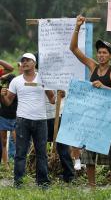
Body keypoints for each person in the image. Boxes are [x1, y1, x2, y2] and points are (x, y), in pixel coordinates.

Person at [70, 15, 111, 189]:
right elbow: (73, 49)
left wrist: (104, 87)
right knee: (88, 156)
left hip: (106, 119)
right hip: (90, 117)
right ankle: (92, 188)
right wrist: (77, 27)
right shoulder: (92, 66)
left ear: (110, 55)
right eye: (99, 52)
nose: (101, 55)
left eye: (104, 52)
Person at [0, 53, 55, 188]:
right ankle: (18, 183)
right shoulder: (16, 81)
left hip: (41, 121)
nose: (24, 63)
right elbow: (8, 102)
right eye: (22, 61)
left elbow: (52, 100)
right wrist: (1, 96)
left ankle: (43, 183)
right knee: (20, 153)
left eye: (28, 60)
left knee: (41, 153)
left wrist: (60, 94)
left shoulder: (44, 78)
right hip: (22, 121)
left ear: (34, 63)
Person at [46, 90, 75, 183]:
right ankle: (42, 173)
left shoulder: (64, 78)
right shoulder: (38, 77)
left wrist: (64, 94)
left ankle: (69, 175)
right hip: (42, 115)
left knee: (62, 146)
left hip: (59, 114)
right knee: (40, 144)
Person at [0, 60, 14, 165]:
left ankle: (10, 163)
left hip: (5, 113)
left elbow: (10, 69)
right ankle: (5, 164)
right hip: (3, 114)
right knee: (3, 141)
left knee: (6, 141)